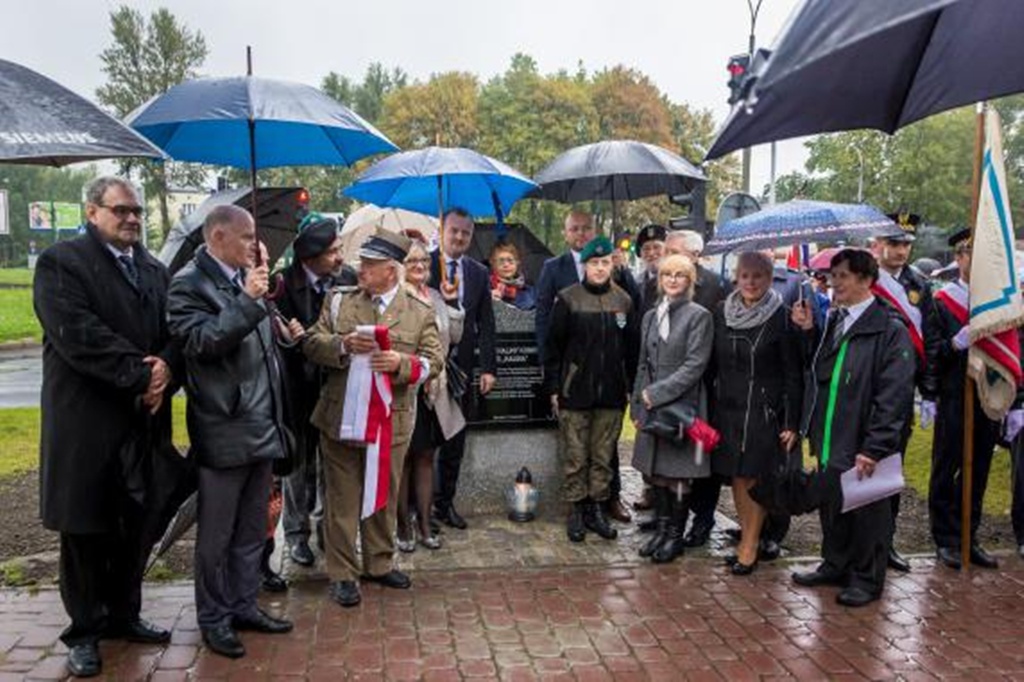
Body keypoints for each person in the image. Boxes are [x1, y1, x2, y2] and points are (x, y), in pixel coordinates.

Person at [33, 176, 179, 678]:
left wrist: (166, 367)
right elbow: (78, 334)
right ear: (92, 212)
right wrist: (142, 375)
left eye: (137, 210)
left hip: (143, 424)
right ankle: (85, 631)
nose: (133, 218)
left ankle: (124, 614)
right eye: (121, 210)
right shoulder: (61, 264)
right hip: (87, 423)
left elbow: (174, 331)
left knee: (135, 523)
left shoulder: (153, 270)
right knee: (85, 530)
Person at [167, 205, 296, 659]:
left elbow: (260, 346)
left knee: (252, 529)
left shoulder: (246, 279)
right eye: (246, 237)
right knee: (217, 536)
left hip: (262, 422)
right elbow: (200, 343)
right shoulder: (188, 284)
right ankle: (214, 618)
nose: (255, 245)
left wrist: (276, 320)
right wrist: (246, 299)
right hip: (224, 427)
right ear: (218, 237)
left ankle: (243, 605)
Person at [304, 228, 443, 608]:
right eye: (361, 262)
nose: (359, 269)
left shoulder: (419, 311)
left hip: (391, 422)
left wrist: (401, 363)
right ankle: (343, 574)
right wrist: (342, 345)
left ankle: (379, 563)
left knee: (383, 493)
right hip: (340, 419)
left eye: (369, 264)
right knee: (342, 499)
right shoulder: (339, 301)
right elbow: (311, 343)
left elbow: (434, 361)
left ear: (391, 271)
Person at [791, 248, 915, 607]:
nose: (835, 283)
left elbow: (894, 395)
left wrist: (876, 445)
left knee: (868, 509)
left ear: (866, 280)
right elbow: (821, 371)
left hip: (863, 437)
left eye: (843, 276)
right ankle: (836, 563)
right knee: (834, 504)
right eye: (833, 276)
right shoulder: (835, 319)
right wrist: (808, 332)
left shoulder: (889, 329)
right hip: (832, 432)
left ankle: (866, 577)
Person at [536, 210, 634, 523]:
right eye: (594, 263)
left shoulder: (623, 299)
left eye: (605, 262)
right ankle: (577, 511)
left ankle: (599, 508)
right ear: (586, 266)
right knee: (576, 455)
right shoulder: (567, 297)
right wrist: (554, 385)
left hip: (611, 390)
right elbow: (552, 342)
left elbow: (631, 345)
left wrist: (629, 384)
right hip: (576, 387)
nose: (600, 267)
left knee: (603, 456)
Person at [710, 252, 803, 575]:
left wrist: (792, 421)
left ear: (770, 278)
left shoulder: (783, 316)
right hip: (728, 408)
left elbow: (794, 374)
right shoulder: (721, 312)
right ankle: (748, 535)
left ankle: (749, 546)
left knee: (755, 476)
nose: (750, 282)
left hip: (765, 410)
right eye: (745, 275)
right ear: (736, 277)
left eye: (758, 276)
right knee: (738, 475)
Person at [275, 213, 357, 571]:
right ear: (310, 256)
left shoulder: (347, 279)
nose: (340, 257)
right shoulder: (281, 285)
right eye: (333, 251)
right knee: (299, 465)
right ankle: (296, 534)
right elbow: (275, 341)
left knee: (333, 464)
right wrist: (288, 339)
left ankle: (328, 531)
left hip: (336, 386)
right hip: (298, 390)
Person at [921, 229, 1002, 570]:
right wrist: (955, 344)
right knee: (947, 467)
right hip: (954, 394)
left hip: (987, 393)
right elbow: (931, 352)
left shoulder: (997, 301)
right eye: (970, 252)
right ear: (959, 258)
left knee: (979, 467)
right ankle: (945, 537)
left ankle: (970, 534)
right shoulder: (942, 301)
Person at [631, 254, 714, 563]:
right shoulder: (651, 316)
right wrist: (637, 406)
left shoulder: (699, 316)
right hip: (652, 407)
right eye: (667, 274)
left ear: (690, 281)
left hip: (683, 407)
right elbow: (642, 364)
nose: (673, 280)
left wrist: (655, 394)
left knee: (679, 475)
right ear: (660, 279)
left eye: (680, 275)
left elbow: (695, 366)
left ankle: (675, 536)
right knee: (657, 474)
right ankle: (662, 531)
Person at [659, 229, 733, 544]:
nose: (667, 257)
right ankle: (668, 520)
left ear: (695, 255)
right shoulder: (660, 281)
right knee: (669, 456)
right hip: (667, 389)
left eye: (674, 251)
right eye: (666, 252)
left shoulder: (717, 286)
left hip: (704, 388)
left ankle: (703, 519)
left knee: (701, 456)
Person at [871, 211, 931, 573]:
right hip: (866, 385)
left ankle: (886, 541)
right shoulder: (865, 277)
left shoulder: (919, 285)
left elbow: (929, 338)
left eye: (906, 244)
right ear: (879, 243)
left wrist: (929, 391)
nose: (901, 251)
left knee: (892, 467)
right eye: (894, 243)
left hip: (901, 389)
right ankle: (855, 542)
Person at [430, 208, 497, 530]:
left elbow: (486, 323)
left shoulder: (478, 273)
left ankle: (445, 504)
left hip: (464, 368)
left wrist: (489, 367)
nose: (459, 237)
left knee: (455, 438)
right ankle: (419, 508)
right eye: (454, 230)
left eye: (465, 233)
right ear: (442, 230)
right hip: (430, 367)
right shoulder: (424, 265)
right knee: (425, 442)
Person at [398, 237, 465, 551]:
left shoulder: (436, 295)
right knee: (403, 461)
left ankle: (425, 524)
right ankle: (402, 527)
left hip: (433, 392)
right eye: (412, 261)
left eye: (424, 260)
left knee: (426, 458)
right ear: (401, 266)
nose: (419, 266)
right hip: (407, 389)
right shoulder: (397, 297)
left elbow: (455, 337)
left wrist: (451, 303)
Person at [489, 240, 536, 310]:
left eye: (510, 261)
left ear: (517, 262)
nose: (506, 265)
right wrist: (488, 298)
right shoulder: (485, 287)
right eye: (501, 261)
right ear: (492, 263)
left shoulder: (528, 289)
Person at [636, 223, 667, 317]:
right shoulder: (636, 284)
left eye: (657, 247)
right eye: (646, 249)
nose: (651, 253)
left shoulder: (680, 280)